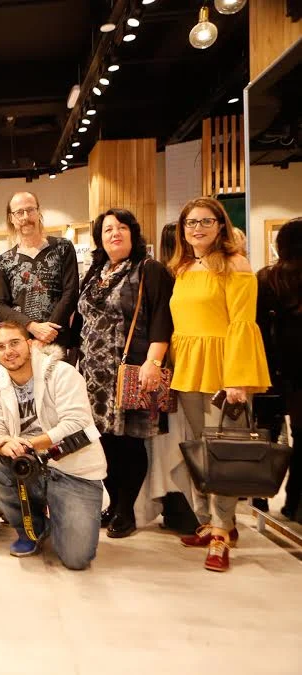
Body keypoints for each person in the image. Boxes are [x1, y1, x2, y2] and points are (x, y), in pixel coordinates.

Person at [167, 197, 270, 572]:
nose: (197, 228)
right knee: (200, 450)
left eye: (205, 221)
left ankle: (222, 533)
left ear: (220, 225)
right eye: (190, 222)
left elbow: (243, 323)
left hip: (224, 371)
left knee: (223, 453)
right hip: (188, 368)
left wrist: (237, 380)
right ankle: (211, 522)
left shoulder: (235, 264)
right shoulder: (181, 267)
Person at [0, 321, 107, 570]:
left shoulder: (62, 373)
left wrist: (29, 443)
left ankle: (62, 517)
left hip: (73, 470)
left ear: (29, 344)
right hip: (31, 469)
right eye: (0, 347)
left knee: (76, 559)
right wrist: (3, 445)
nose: (8, 351)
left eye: (14, 343)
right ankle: (33, 528)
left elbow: (76, 423)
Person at [76, 209, 174, 538]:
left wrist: (153, 362)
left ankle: (125, 510)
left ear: (133, 233)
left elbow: (162, 318)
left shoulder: (148, 269)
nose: (114, 233)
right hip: (93, 377)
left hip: (131, 370)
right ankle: (114, 501)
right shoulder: (95, 272)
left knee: (129, 443)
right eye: (107, 230)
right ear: (99, 238)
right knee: (102, 442)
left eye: (121, 228)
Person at [257, 218, 302, 521]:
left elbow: (256, 327)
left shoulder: (267, 278)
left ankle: (259, 494)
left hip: (271, 369)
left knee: (266, 435)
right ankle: (295, 504)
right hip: (299, 373)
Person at [0, 192, 79, 348]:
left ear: (39, 212)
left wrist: (47, 333)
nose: (26, 217)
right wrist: (31, 326)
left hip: (57, 343)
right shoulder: (5, 260)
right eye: (19, 212)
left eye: (30, 210)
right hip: (22, 345)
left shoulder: (62, 248)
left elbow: (70, 293)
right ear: (11, 218)